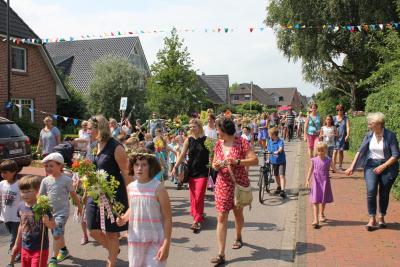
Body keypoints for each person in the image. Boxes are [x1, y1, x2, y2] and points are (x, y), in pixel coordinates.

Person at [210, 117, 258, 265]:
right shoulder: (218, 144)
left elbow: (254, 160)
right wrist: (216, 166)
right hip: (222, 184)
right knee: (221, 217)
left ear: (225, 130)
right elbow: (213, 163)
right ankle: (221, 254)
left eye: (218, 129)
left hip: (238, 184)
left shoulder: (241, 142)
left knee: (238, 215)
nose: (217, 131)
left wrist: (237, 162)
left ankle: (238, 236)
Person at [86, 115, 132, 267]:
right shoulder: (93, 146)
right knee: (92, 229)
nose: (87, 131)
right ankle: (114, 250)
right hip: (95, 193)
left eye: (90, 128)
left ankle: (111, 261)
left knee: (112, 232)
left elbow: (127, 174)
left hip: (114, 195)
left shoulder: (116, 147)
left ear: (100, 128)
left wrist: (131, 199)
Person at [117, 150, 172, 267]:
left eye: (144, 165)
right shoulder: (130, 187)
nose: (139, 168)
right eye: (136, 164)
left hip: (155, 241)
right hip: (135, 239)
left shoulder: (159, 188)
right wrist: (123, 218)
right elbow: (133, 208)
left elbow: (167, 218)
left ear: (151, 167)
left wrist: (166, 243)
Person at [345, 112, 399, 231]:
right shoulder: (369, 135)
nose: (369, 124)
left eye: (371, 123)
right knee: (371, 190)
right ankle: (372, 218)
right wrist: (351, 167)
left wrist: (383, 166)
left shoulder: (390, 135)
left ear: (379, 124)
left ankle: (382, 216)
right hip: (370, 165)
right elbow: (360, 151)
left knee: (384, 193)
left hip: (388, 167)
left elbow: (395, 155)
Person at [39, 153, 82, 267]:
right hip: (49, 213)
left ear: (60, 166)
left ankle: (53, 259)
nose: (48, 168)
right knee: (57, 233)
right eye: (46, 166)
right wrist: (38, 209)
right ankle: (64, 250)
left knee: (56, 234)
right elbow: (40, 196)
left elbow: (73, 194)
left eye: (51, 166)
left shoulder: (66, 180)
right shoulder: (45, 181)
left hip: (62, 212)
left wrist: (79, 207)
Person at [172, 118, 209, 233]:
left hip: (203, 171)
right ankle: (197, 214)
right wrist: (175, 166)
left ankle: (197, 220)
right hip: (191, 171)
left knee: (199, 195)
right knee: (193, 196)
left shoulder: (207, 140)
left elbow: (213, 153)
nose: (192, 128)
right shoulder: (189, 140)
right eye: (190, 126)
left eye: (194, 126)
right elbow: (182, 154)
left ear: (200, 127)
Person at [11, 175, 56, 267]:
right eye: (22, 192)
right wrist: (16, 244)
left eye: (28, 191)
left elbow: (53, 225)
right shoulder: (20, 206)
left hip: (39, 248)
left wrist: (47, 221)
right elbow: (21, 226)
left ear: (37, 191)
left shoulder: (43, 207)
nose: (24, 194)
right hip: (25, 247)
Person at [305, 142, 335, 229]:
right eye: (319, 151)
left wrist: (345, 172)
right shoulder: (314, 160)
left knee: (323, 200)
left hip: (325, 182)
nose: (320, 152)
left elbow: (335, 169)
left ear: (326, 150)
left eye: (322, 151)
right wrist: (307, 179)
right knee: (315, 200)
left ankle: (321, 213)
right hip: (316, 183)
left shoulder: (329, 160)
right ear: (316, 151)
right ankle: (315, 219)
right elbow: (310, 170)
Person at [1, 160, 22, 265]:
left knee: (13, 239)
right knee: (14, 236)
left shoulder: (19, 185)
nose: (3, 175)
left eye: (6, 172)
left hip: (17, 217)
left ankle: (12, 260)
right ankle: (22, 250)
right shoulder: (1, 184)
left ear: (14, 172)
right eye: (2, 172)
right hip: (6, 216)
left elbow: (24, 200)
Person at [267, 127, 287, 198]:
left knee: (281, 175)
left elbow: (281, 148)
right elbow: (268, 151)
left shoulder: (280, 141)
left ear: (274, 135)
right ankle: (279, 187)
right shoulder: (269, 141)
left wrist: (278, 151)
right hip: (274, 161)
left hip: (281, 161)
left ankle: (283, 190)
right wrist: (268, 158)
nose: (269, 135)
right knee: (276, 175)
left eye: (269, 134)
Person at [333, 104, 351, 171]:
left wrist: (347, 135)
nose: (339, 111)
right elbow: (330, 126)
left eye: (341, 110)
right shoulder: (334, 118)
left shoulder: (346, 118)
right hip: (335, 137)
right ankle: (333, 166)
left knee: (341, 151)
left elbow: (348, 127)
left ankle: (340, 166)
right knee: (334, 151)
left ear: (343, 110)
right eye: (338, 110)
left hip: (342, 137)